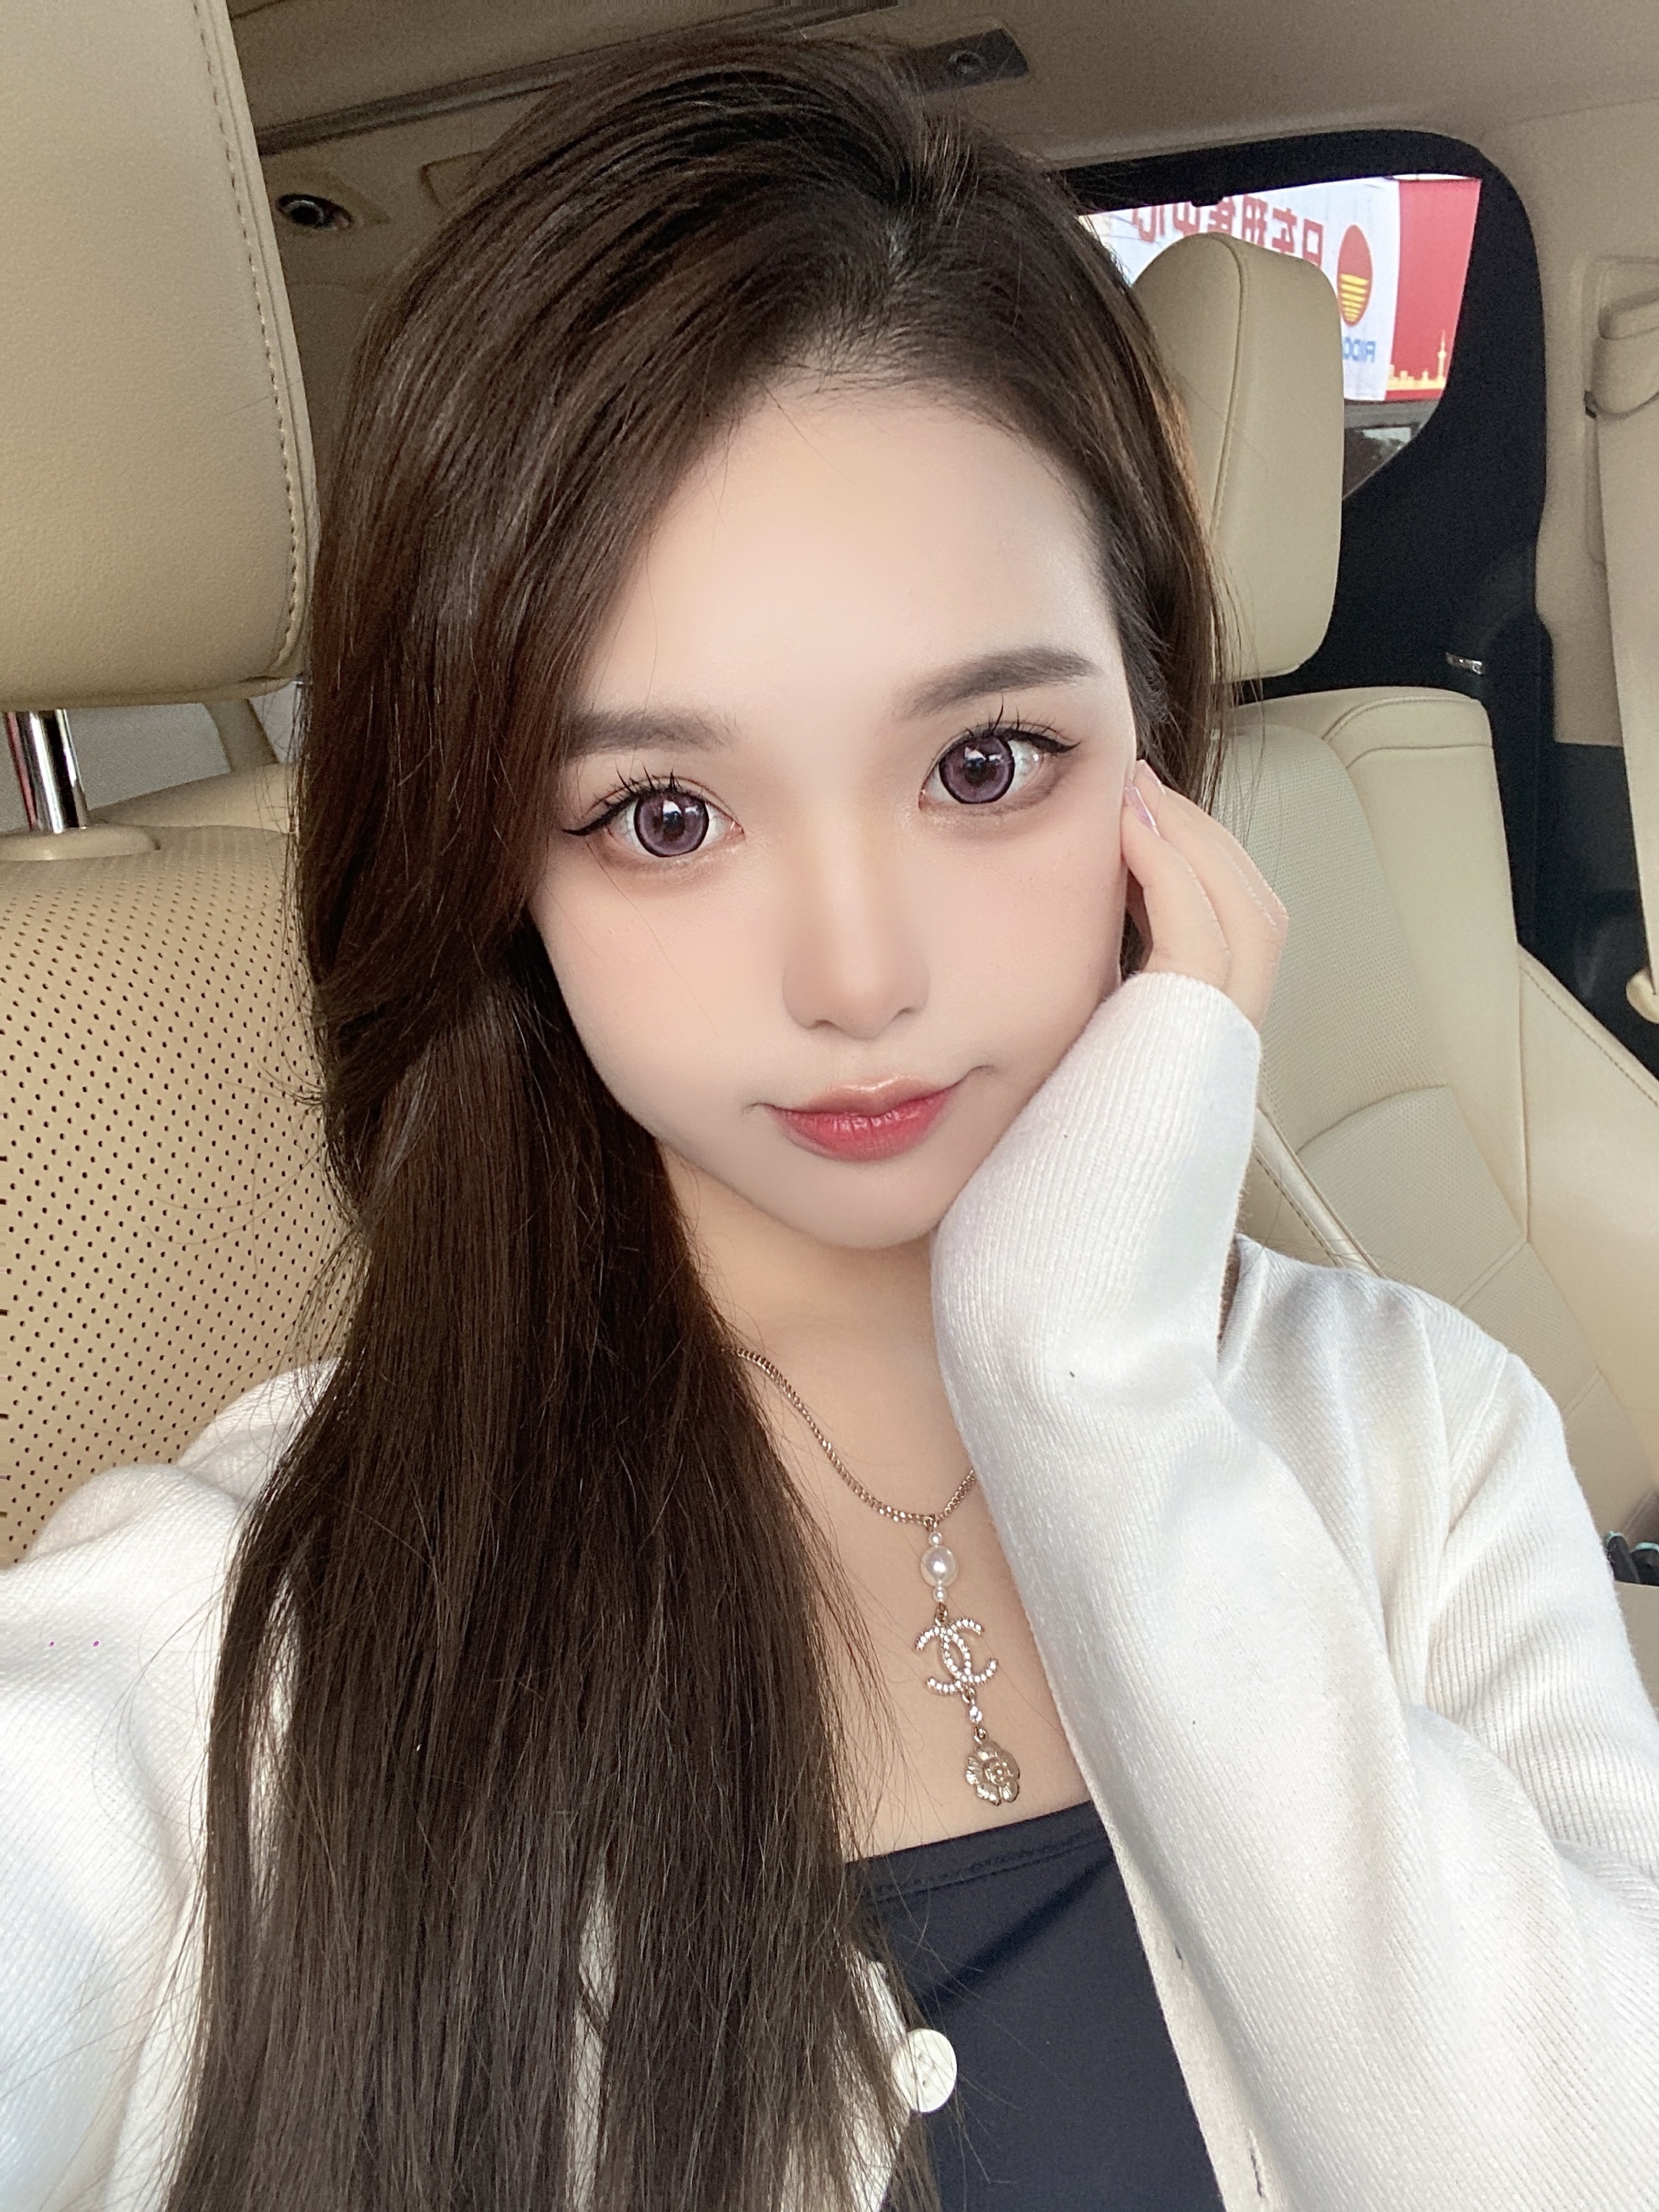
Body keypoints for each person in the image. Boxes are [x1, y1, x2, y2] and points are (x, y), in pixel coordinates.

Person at [3, 25, 1658, 2212]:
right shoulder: (242, 1634)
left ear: (1158, 744)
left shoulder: (1422, 1444)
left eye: (985, 766)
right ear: (501, 864)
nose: (857, 977)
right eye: (663, 813)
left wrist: (1098, 1407)